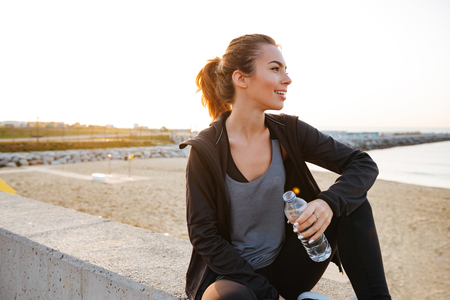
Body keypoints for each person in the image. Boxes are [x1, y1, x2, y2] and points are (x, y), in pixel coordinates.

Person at [179, 34, 391, 300]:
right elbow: (204, 236)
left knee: (353, 202)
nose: (287, 79)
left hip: (291, 265)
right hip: (236, 278)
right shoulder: (206, 149)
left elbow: (362, 164)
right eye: (275, 69)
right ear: (241, 78)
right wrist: (268, 295)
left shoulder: (289, 131)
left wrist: (327, 203)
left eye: (285, 70)